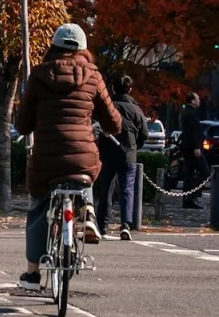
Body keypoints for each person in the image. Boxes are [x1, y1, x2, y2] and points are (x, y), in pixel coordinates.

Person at [15, 23, 122, 290]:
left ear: (54, 46)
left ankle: (32, 274)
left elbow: (23, 123)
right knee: (85, 173)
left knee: (39, 207)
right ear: (84, 50)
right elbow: (113, 121)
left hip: (46, 159)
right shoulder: (94, 76)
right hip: (82, 155)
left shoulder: (39, 75)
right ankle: (87, 215)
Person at [96, 75, 148, 241]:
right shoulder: (136, 110)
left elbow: (97, 127)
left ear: (112, 88)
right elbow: (144, 134)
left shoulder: (108, 107)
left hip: (108, 152)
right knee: (127, 189)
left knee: (106, 190)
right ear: (130, 89)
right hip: (128, 153)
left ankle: (102, 225)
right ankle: (126, 224)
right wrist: (134, 147)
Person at [180, 92, 209, 210]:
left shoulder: (186, 113)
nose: (199, 101)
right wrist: (196, 147)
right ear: (192, 101)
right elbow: (192, 132)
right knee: (205, 172)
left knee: (189, 174)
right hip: (193, 149)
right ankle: (192, 197)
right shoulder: (190, 114)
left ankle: (187, 199)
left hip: (188, 148)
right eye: (197, 99)